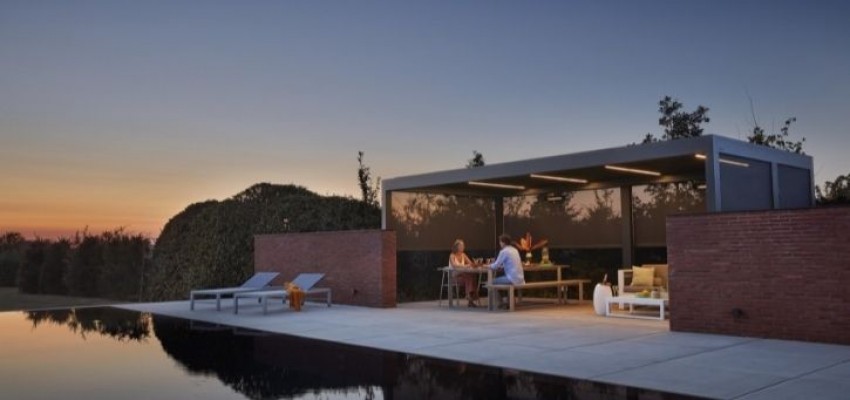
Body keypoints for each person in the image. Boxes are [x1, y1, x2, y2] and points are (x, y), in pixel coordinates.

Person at [488, 234, 525, 309]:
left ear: (503, 243)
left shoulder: (504, 251)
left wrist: (486, 266)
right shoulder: (515, 250)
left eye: (500, 242)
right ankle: (507, 302)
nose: (500, 244)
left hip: (512, 279)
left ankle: (500, 303)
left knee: (491, 282)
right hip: (520, 278)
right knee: (500, 280)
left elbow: (495, 265)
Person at [449, 239, 480, 307]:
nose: (463, 247)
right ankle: (470, 298)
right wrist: (465, 266)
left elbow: (470, 263)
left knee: (472, 276)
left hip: (464, 277)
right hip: (455, 278)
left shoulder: (463, 255)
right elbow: (454, 265)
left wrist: (476, 263)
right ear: (456, 247)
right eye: (461, 246)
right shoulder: (452, 255)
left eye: (463, 246)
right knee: (469, 277)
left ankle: (469, 296)